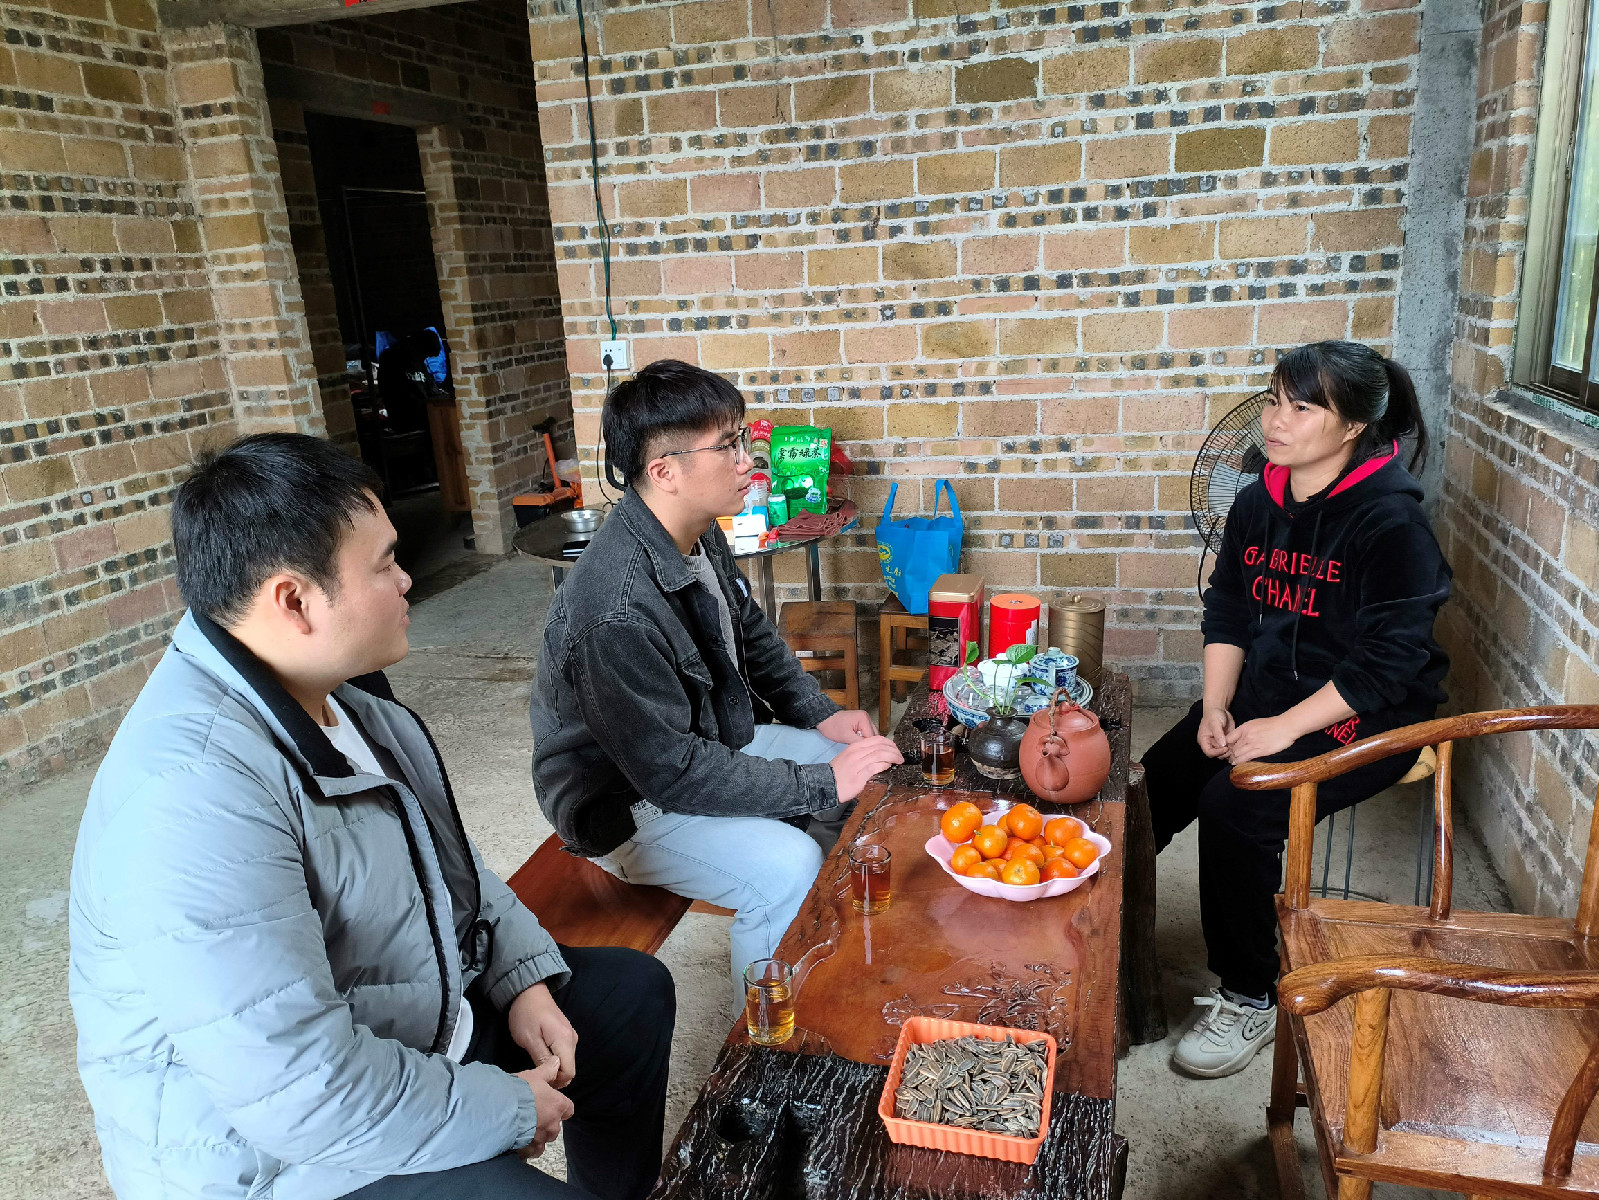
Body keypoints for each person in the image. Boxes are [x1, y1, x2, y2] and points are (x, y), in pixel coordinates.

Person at [69, 434, 674, 1200]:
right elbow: (299, 1087)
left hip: (401, 1028)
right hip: (273, 1153)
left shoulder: (343, 700)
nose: (407, 578)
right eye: (385, 564)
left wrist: (521, 980)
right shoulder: (191, 792)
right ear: (294, 600)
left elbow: (444, 867)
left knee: (628, 997)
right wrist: (505, 1107)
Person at [530, 360, 903, 995]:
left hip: (706, 743)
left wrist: (820, 714)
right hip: (627, 806)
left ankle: (818, 946)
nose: (747, 461)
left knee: (864, 764)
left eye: (742, 440)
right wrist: (818, 783)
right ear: (664, 472)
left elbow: (751, 632)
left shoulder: (696, 532)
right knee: (786, 866)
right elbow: (670, 773)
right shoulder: (613, 609)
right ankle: (760, 1041)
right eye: (727, 445)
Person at [1141, 340, 1451, 1079]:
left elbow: (1385, 665)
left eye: (1301, 408)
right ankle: (1104, 927)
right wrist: (1217, 707)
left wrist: (1280, 730)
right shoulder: (1258, 500)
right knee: (1157, 780)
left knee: (1235, 805)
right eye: (1275, 401)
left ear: (1352, 428)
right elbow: (1228, 608)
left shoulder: (1391, 524)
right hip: (1267, 694)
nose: (1275, 422)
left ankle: (1250, 993)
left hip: (1367, 712)